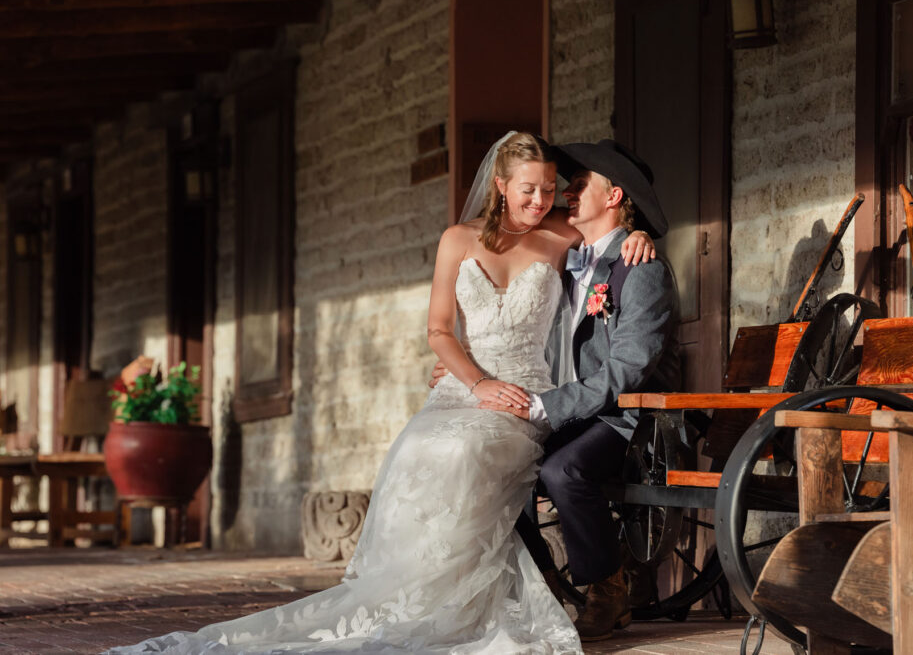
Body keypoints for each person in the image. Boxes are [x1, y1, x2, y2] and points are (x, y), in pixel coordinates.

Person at [107, 132, 655, 655]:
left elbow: (613, 226)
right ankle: (410, 592)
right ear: (501, 186)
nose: (541, 200)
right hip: (466, 386)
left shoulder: (562, 232)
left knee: (466, 453)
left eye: (549, 188)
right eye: (528, 189)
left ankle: (465, 595)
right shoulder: (456, 240)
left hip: (525, 393)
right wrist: (474, 379)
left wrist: (640, 233)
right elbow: (439, 330)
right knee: (420, 446)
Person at [477, 139, 680, 642]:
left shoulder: (642, 266)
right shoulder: (567, 260)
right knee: (495, 459)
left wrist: (551, 405)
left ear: (614, 196)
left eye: (580, 183)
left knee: (561, 469)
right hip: (573, 412)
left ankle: (607, 592)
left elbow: (629, 368)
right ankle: (542, 583)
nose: (567, 192)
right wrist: (469, 373)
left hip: (627, 420)